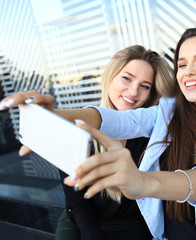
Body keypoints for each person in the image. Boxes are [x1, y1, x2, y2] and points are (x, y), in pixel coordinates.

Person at [0, 26, 196, 239]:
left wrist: (145, 183)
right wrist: (55, 116)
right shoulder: (166, 113)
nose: (188, 71)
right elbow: (120, 120)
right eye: (181, 64)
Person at [55, 45, 175, 240]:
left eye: (145, 86)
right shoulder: (78, 130)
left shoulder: (153, 135)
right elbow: (75, 198)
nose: (134, 91)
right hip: (81, 216)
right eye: (127, 78)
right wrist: (92, 234)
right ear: (111, 77)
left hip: (130, 222)